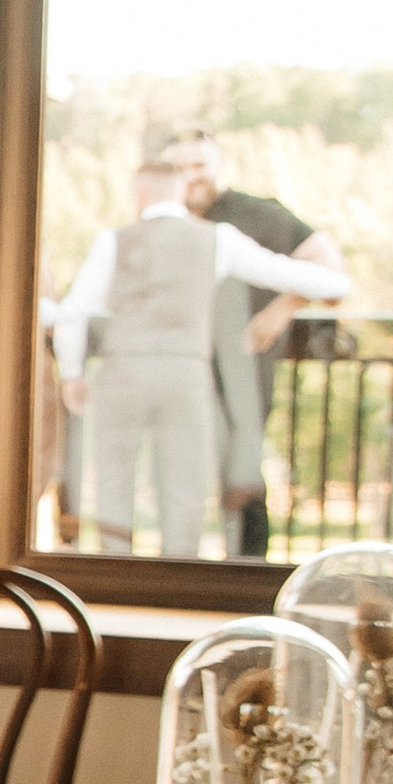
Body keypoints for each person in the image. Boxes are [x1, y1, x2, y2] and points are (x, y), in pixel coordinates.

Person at [50, 153, 346, 558]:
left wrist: (72, 373)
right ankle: (178, 568)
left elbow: (73, 313)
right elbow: (310, 279)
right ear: (179, 193)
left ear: (139, 195)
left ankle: (116, 567)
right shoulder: (217, 239)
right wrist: (310, 293)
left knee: (114, 480)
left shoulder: (113, 240)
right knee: (185, 484)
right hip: (185, 374)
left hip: (123, 371)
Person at [163, 131, 346, 559]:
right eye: (179, 168)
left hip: (242, 374)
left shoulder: (258, 215)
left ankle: (246, 574)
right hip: (183, 372)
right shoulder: (162, 223)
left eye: (199, 166)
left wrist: (281, 309)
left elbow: (333, 271)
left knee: (243, 481)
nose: (190, 177)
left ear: (218, 167)